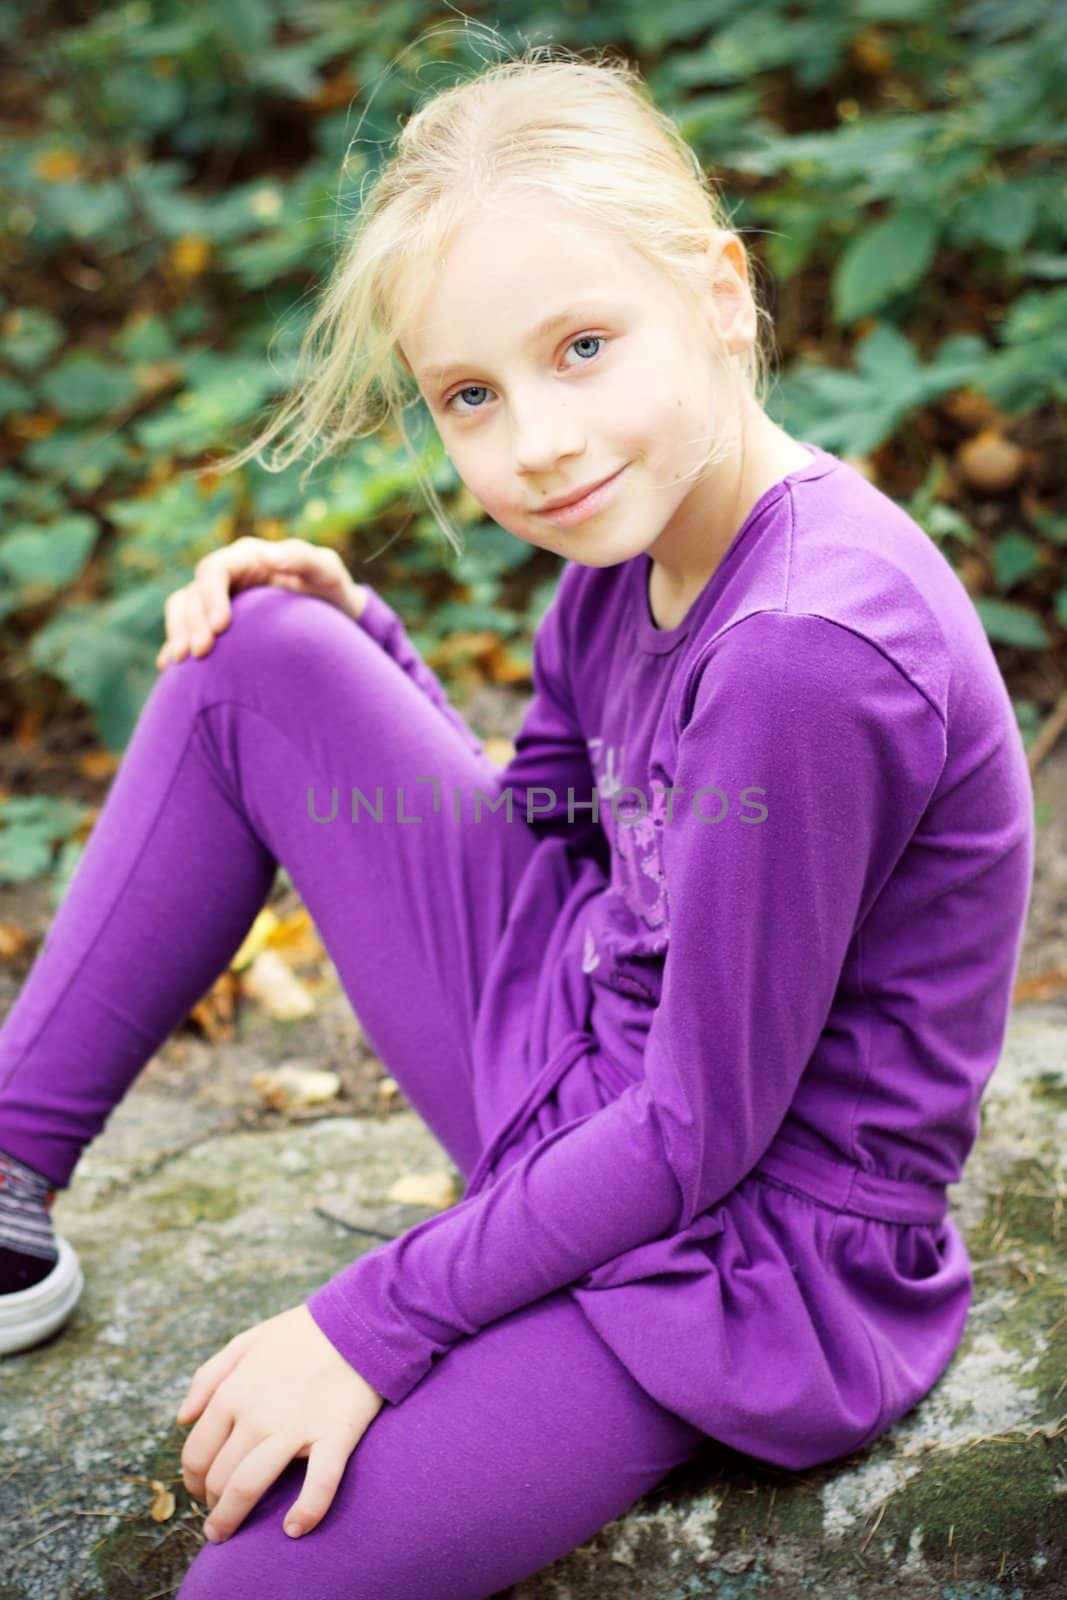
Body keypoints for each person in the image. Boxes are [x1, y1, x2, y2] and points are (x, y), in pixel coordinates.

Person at [0, 42, 1034, 1600]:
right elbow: (553, 830)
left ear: (722, 295)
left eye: (584, 347)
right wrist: (363, 650)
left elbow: (703, 1132)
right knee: (261, 655)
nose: (535, 439)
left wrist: (369, 1318)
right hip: (576, 1046)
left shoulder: (805, 656)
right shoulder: (624, 542)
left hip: (744, 1247)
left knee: (255, 1580)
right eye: (469, 395)